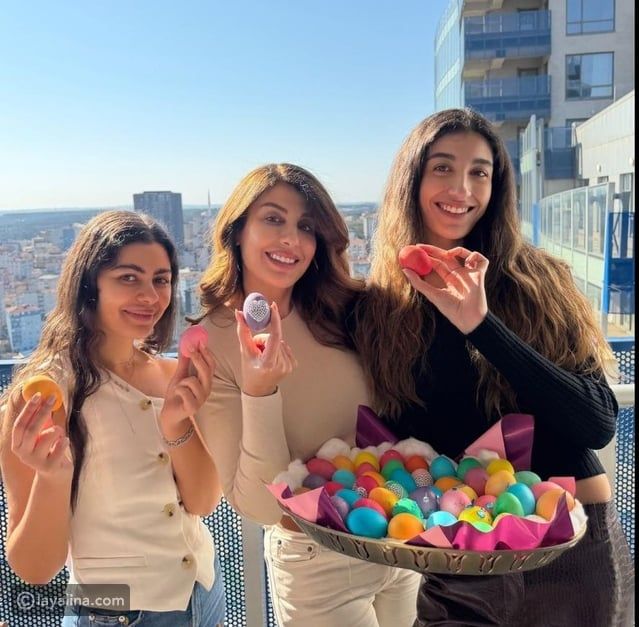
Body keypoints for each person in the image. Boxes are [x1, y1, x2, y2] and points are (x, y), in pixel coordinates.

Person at [351, 108, 634, 627]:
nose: (461, 188)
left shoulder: (537, 280)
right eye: (442, 167)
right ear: (412, 180)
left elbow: (597, 423)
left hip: (567, 552)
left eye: (479, 172)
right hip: (460, 559)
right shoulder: (382, 307)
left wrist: (481, 326)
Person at [193, 163, 421, 627]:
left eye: (306, 226)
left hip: (400, 537)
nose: (291, 239)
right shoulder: (210, 342)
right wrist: (260, 392)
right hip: (317, 561)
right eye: (273, 219)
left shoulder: (348, 311)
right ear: (237, 230)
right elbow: (260, 507)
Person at [0, 211, 226, 627]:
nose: (150, 296)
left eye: (161, 279)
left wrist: (177, 426)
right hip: (113, 613)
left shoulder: (169, 375)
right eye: (128, 277)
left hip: (204, 597)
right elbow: (34, 568)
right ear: (90, 285)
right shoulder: (47, 396)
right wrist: (52, 477)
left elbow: (203, 503)